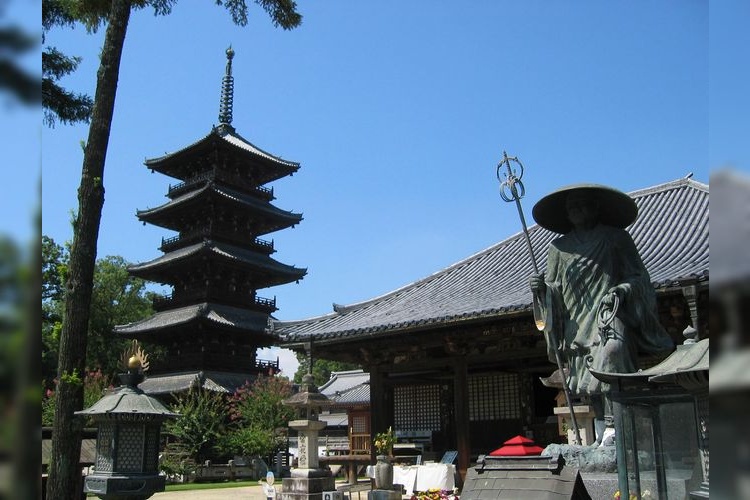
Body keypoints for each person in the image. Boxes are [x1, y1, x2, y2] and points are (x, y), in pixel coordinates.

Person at [529, 184, 673, 445]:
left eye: (583, 204)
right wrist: (541, 291)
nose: (577, 210)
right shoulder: (559, 248)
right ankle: (601, 434)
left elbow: (638, 276)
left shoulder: (616, 238)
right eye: (572, 207)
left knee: (613, 353)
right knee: (587, 375)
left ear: (596, 207)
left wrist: (622, 289)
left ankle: (614, 427)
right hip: (575, 317)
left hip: (608, 311)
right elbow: (553, 286)